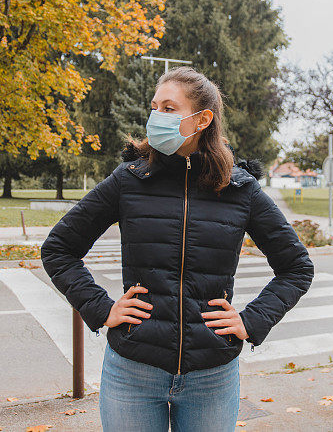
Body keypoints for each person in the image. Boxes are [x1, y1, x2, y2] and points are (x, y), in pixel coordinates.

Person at [41, 66, 315, 431]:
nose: (157, 116)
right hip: (132, 371)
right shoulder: (130, 180)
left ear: (202, 119)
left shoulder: (239, 189)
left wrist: (251, 321)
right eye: (154, 107)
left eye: (169, 108)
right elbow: (59, 248)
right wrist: (101, 308)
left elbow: (297, 267)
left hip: (212, 376)